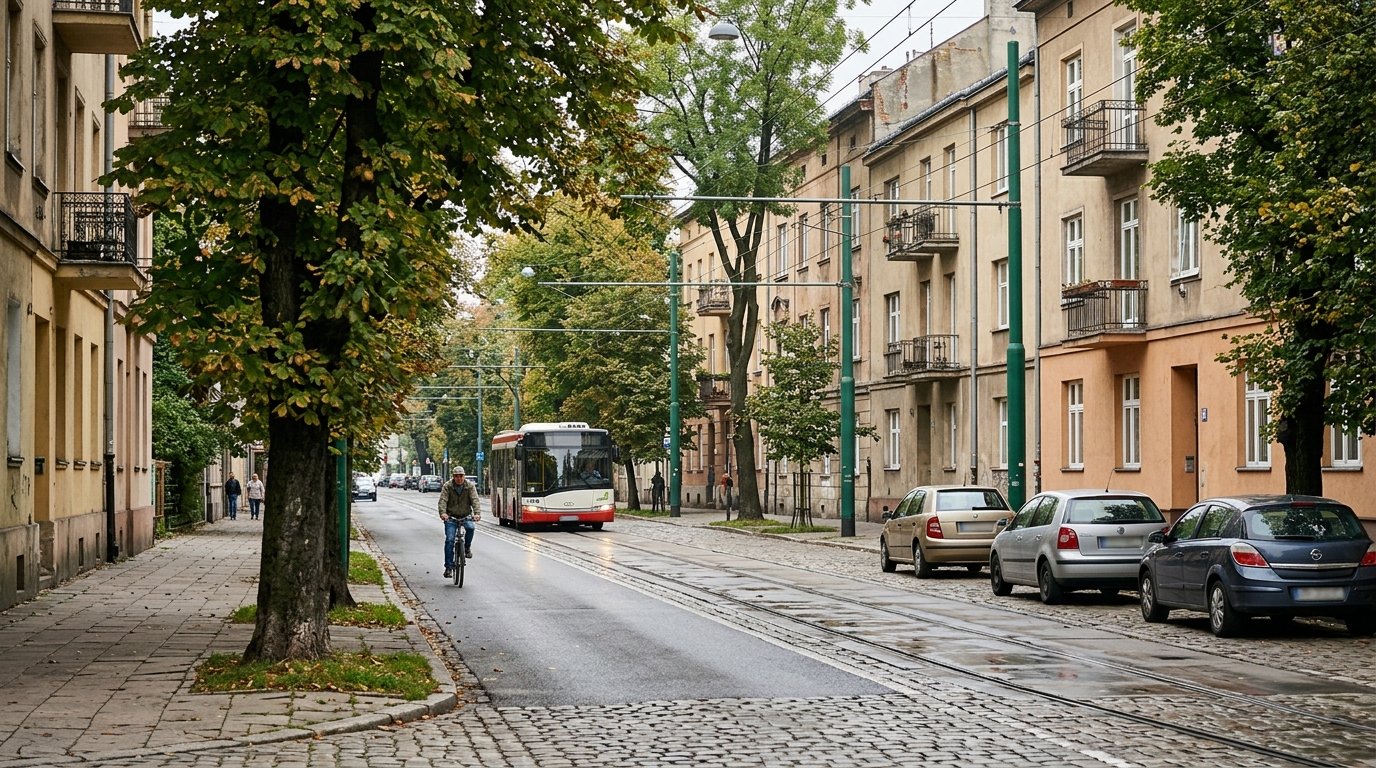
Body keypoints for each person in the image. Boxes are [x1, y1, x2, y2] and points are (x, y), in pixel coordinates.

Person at [439, 466, 480, 579]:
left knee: (471, 528)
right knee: (450, 540)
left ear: (464, 476)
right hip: (451, 517)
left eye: (461, 476)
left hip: (465, 515)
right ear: (453, 477)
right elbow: (443, 501)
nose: (458, 478)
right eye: (456, 476)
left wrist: (476, 513)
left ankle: (466, 547)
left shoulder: (469, 486)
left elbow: (475, 500)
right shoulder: (447, 486)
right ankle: (448, 567)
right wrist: (443, 513)